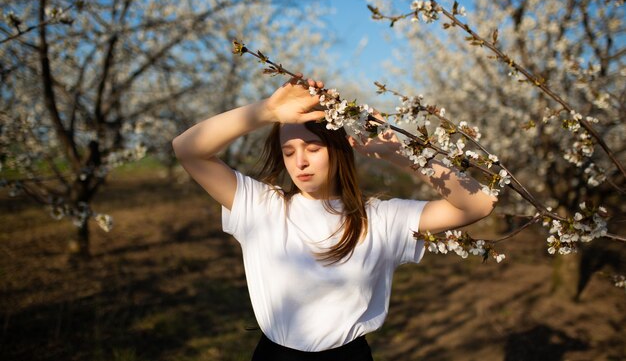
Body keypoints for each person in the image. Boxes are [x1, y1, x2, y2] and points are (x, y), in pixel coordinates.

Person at [172, 74, 497, 360]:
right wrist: (266, 112)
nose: (300, 162)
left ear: (338, 150)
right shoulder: (261, 207)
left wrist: (398, 153)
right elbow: (188, 148)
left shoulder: (380, 218)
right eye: (289, 152)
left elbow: (478, 204)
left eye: (313, 148)